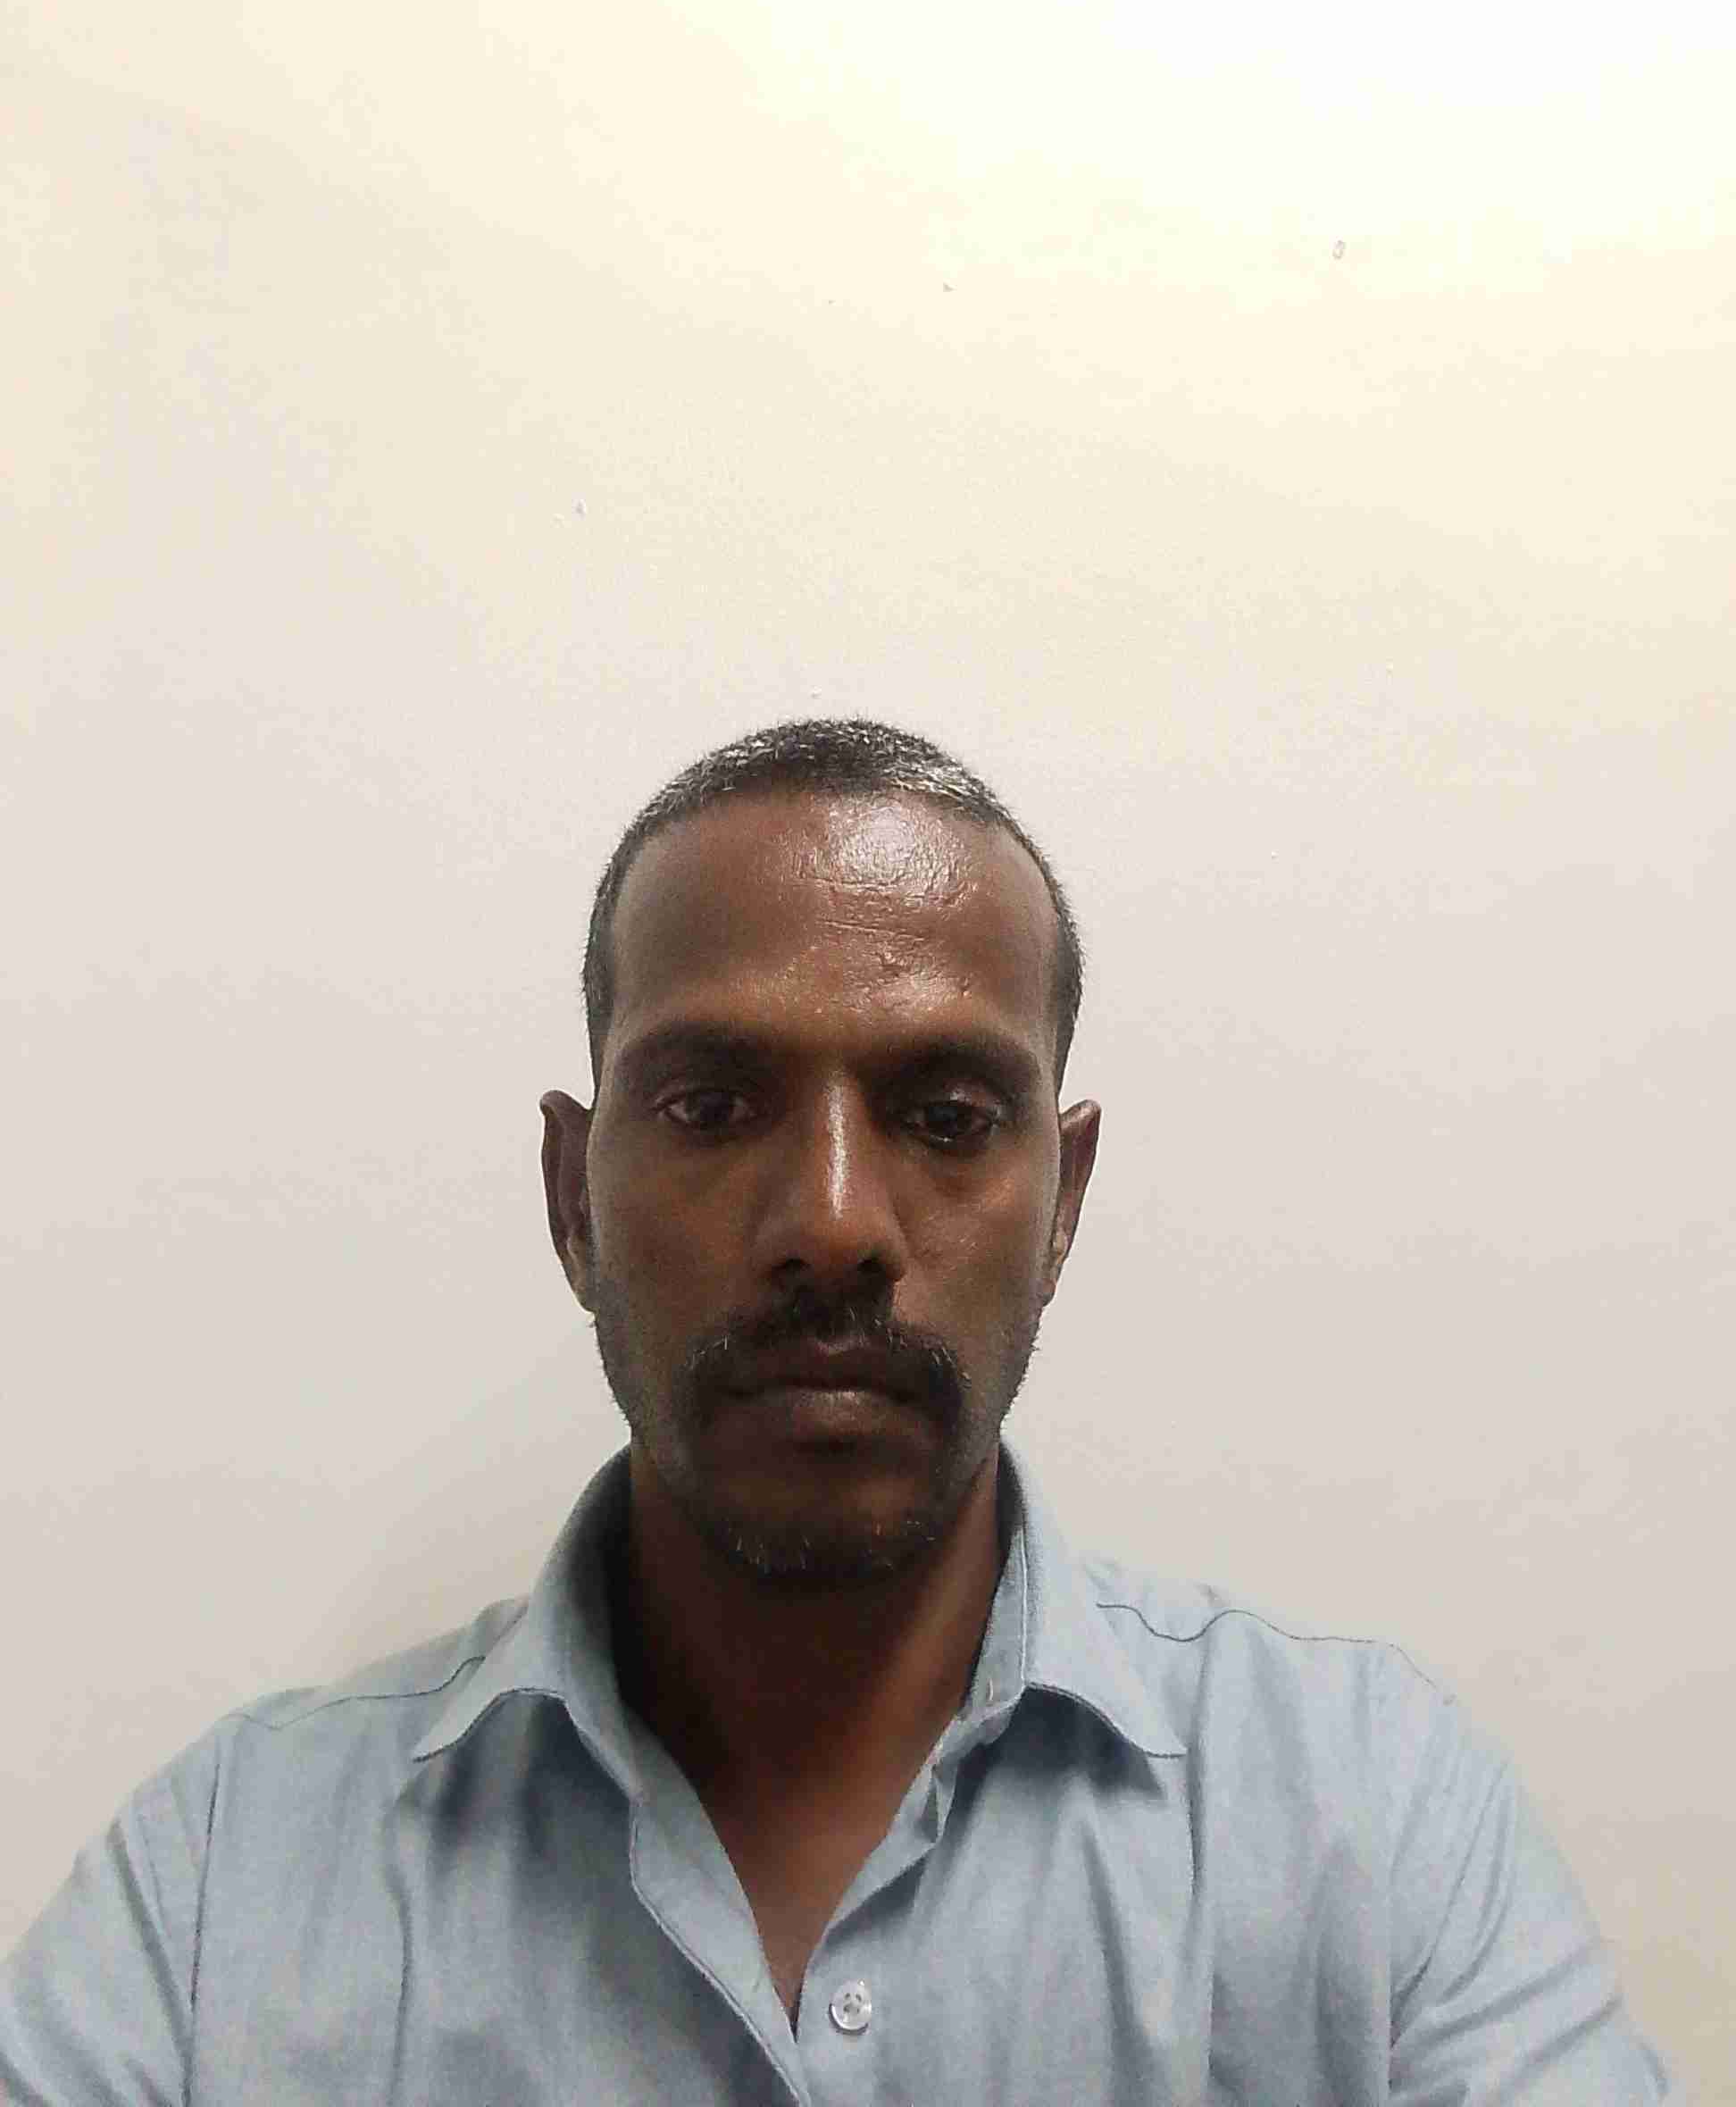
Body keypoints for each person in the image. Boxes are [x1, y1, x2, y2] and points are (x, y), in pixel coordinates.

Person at [0, 715, 1689, 2102]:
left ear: (1065, 1203)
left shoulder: (1364, 1820)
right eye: (713, 1104)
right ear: (573, 1198)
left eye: (945, 1116)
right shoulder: (221, 1885)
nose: (830, 1221)